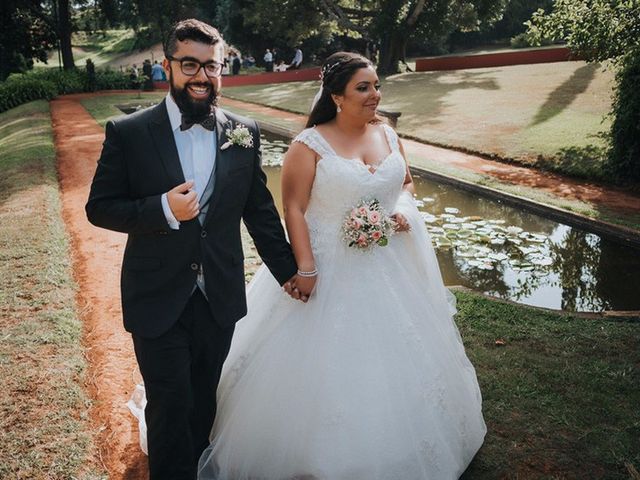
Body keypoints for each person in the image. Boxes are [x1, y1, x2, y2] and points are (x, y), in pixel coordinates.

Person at [198, 51, 486, 478]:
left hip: (388, 265)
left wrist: (400, 209)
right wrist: (307, 269)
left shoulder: (388, 135)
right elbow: (292, 208)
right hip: (327, 264)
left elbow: (404, 182)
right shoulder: (308, 144)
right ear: (337, 96)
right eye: (364, 87)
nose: (375, 95)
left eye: (376, 85)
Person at [85, 18, 301, 480]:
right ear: (168, 67)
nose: (202, 76)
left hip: (218, 295)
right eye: (190, 65)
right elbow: (100, 207)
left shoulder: (243, 131)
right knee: (170, 402)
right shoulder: (130, 132)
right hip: (157, 295)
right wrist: (161, 208)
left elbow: (259, 211)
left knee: (204, 398)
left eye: (212, 66)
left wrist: (290, 271)